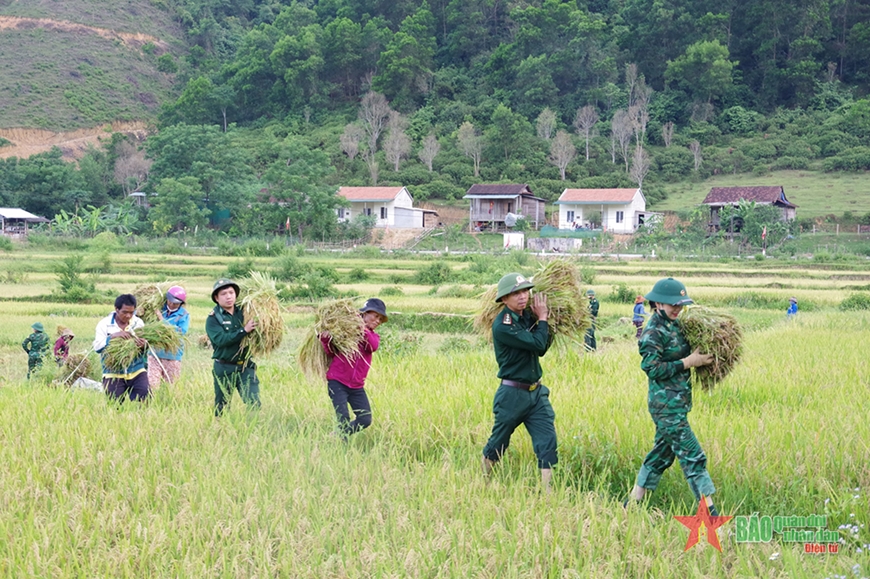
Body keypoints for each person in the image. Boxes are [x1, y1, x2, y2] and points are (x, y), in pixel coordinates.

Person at [626, 278, 719, 515]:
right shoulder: (653, 331)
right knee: (693, 456)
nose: (676, 309)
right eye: (671, 305)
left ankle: (631, 506)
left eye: (680, 305)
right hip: (665, 406)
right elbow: (652, 368)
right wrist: (687, 362)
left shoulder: (676, 325)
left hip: (679, 403)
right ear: (657, 303)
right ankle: (712, 518)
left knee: (662, 455)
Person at [482, 273, 557, 493]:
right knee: (499, 442)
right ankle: (484, 482)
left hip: (536, 393)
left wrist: (544, 320)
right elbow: (536, 343)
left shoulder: (527, 317)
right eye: (515, 293)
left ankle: (547, 490)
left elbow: (542, 347)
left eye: (525, 291)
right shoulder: (503, 326)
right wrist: (542, 319)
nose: (522, 297)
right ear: (504, 299)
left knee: (547, 439)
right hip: (512, 394)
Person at [320, 298, 388, 437]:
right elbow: (332, 352)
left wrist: (360, 327)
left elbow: (372, 346)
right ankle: (341, 449)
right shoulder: (346, 332)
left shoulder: (374, 336)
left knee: (365, 419)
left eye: (380, 319)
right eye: (375, 316)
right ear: (364, 313)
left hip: (357, 386)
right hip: (337, 381)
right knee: (343, 418)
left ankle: (335, 436)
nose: (377, 321)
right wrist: (326, 340)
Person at [206, 278, 259, 416]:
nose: (228, 296)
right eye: (224, 294)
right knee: (222, 405)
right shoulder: (213, 319)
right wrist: (244, 331)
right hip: (224, 367)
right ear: (216, 298)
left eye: (231, 292)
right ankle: (220, 431)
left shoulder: (245, 311)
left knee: (254, 402)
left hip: (245, 366)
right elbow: (221, 340)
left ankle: (252, 431)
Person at [94, 294, 149, 402]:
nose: (128, 316)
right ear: (116, 309)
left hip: (136, 370)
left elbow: (145, 347)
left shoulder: (138, 323)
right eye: (125, 312)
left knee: (144, 401)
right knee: (115, 406)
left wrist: (144, 345)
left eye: (131, 312)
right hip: (113, 372)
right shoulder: (104, 324)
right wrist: (112, 337)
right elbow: (97, 347)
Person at [147, 285, 190, 389]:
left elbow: (180, 332)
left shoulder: (183, 315)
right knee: (152, 385)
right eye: (169, 301)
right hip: (154, 353)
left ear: (181, 303)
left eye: (175, 303)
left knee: (171, 386)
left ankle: (168, 404)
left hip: (172, 356)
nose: (171, 304)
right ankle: (149, 404)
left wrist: (162, 320)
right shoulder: (158, 309)